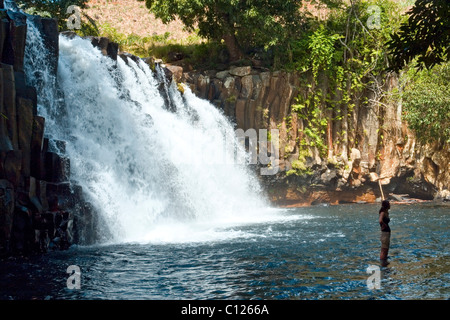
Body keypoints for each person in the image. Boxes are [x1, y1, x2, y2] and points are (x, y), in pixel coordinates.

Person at [379, 200, 391, 265]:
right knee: (384, 248)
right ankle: (382, 262)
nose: (390, 205)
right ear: (386, 205)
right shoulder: (383, 212)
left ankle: (384, 260)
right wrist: (384, 225)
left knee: (386, 248)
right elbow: (380, 220)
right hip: (384, 233)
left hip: (386, 232)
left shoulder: (386, 212)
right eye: (389, 204)